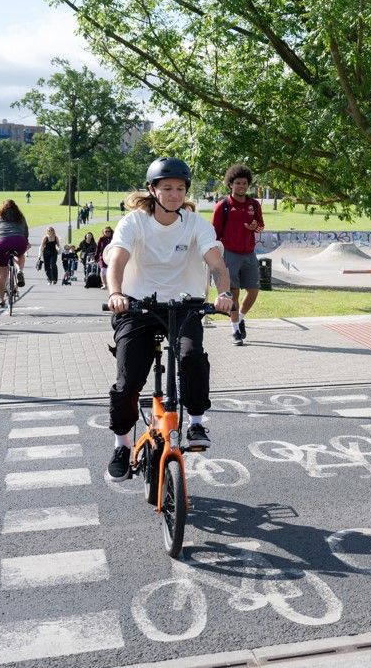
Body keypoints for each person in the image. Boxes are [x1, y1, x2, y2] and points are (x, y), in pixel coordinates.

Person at [104, 157, 232, 479]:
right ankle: (121, 444)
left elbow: (216, 264)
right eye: (167, 188)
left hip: (185, 305)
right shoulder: (134, 222)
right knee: (129, 380)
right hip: (136, 306)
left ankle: (196, 423)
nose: (174, 194)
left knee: (191, 357)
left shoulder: (195, 224)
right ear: (153, 190)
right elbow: (117, 260)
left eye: (180, 188)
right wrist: (115, 294)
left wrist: (225, 294)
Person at [211, 164, 265, 344]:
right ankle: (235, 330)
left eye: (244, 183)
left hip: (249, 253)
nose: (241, 186)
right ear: (230, 184)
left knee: (254, 290)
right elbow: (214, 234)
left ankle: (240, 318)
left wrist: (254, 227)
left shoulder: (253, 204)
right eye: (238, 183)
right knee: (232, 294)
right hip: (229, 255)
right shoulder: (223, 206)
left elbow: (261, 226)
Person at [0, 199, 30, 307]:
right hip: (19, 241)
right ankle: (19, 270)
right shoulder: (20, 217)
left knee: (2, 274)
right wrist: (26, 242)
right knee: (20, 255)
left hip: (1, 242)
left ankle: (1, 299)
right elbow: (26, 232)